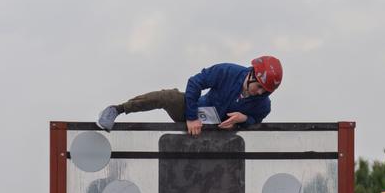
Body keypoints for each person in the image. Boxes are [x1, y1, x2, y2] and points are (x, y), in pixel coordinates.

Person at [96, 55, 283, 134]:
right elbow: (195, 82)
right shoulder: (227, 71)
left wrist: (244, 119)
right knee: (168, 97)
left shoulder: (263, 105)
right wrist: (192, 117)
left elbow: (255, 122)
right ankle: (117, 110)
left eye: (265, 91)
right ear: (252, 74)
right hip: (194, 114)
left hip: (219, 137)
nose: (259, 93)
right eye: (258, 87)